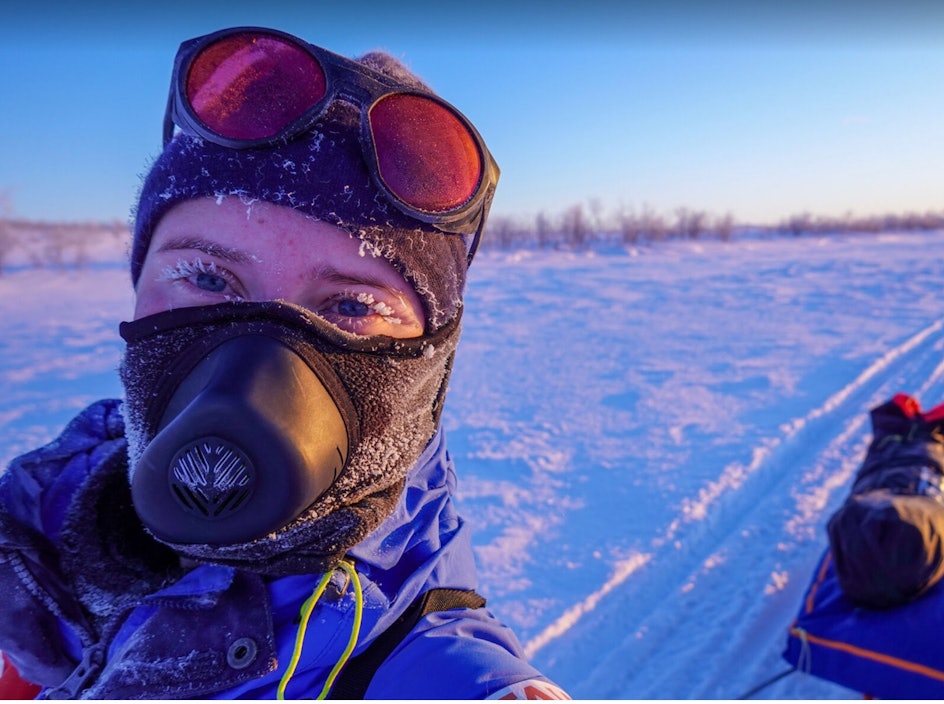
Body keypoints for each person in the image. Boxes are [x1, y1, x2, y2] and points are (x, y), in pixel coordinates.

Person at [0, 26, 569, 700]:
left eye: (353, 304)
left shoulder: (423, 665)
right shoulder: (47, 508)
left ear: (430, 362)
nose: (252, 372)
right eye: (207, 279)